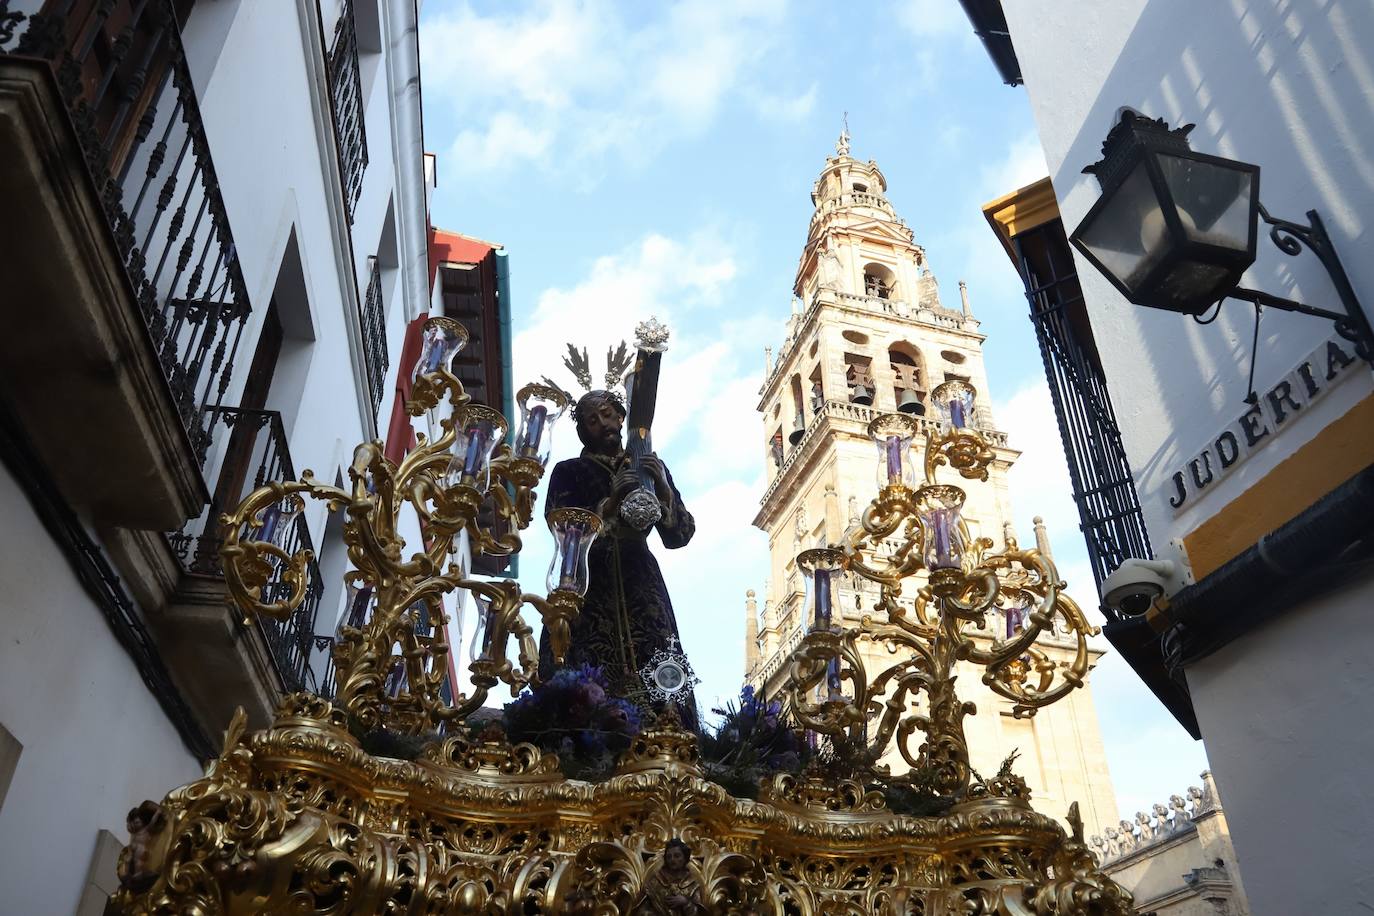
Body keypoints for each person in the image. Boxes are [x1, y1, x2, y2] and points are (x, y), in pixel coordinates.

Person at [538, 389, 696, 713]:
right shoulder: (569, 471)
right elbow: (561, 527)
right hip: (588, 583)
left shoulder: (650, 467)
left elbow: (680, 536)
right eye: (592, 420)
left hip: (641, 581)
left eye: (607, 414)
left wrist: (663, 490)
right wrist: (608, 504)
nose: (603, 423)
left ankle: (668, 730)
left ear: (622, 417)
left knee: (659, 666)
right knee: (582, 676)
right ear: (584, 431)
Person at [634, 838, 704, 915]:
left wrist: (685, 902)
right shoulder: (655, 881)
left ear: (685, 858)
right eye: (669, 857)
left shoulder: (692, 884)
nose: (672, 859)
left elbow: (698, 913)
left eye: (677, 856)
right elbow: (642, 909)